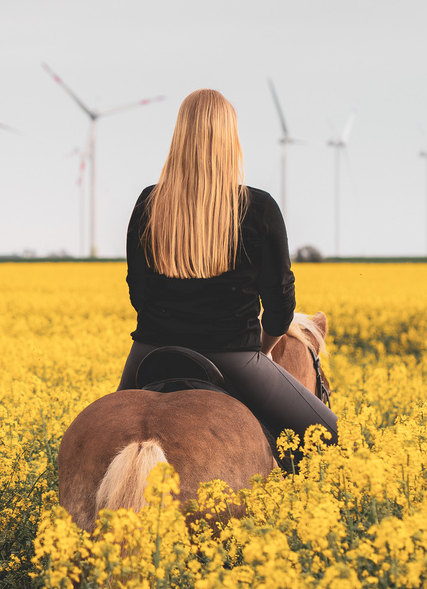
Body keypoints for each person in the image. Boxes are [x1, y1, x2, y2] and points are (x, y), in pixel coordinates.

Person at [120, 88, 335, 469]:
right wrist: (264, 348)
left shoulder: (147, 204)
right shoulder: (259, 208)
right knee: (332, 435)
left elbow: (138, 293)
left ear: (179, 138)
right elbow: (281, 307)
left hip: (148, 354)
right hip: (234, 357)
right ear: (230, 140)